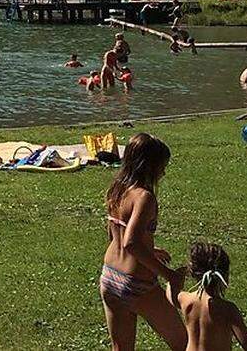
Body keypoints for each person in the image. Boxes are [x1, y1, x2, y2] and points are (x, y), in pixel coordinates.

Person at [100, 133, 187, 351]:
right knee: (185, 343)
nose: (164, 171)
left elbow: (116, 234)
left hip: (110, 276)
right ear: (149, 166)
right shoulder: (144, 197)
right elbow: (131, 242)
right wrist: (170, 275)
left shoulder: (117, 189)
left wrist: (150, 249)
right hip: (136, 283)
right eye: (162, 166)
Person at [166, 242, 247, 351]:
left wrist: (174, 278)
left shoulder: (186, 300)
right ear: (225, 276)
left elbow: (172, 295)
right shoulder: (227, 310)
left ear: (193, 272)